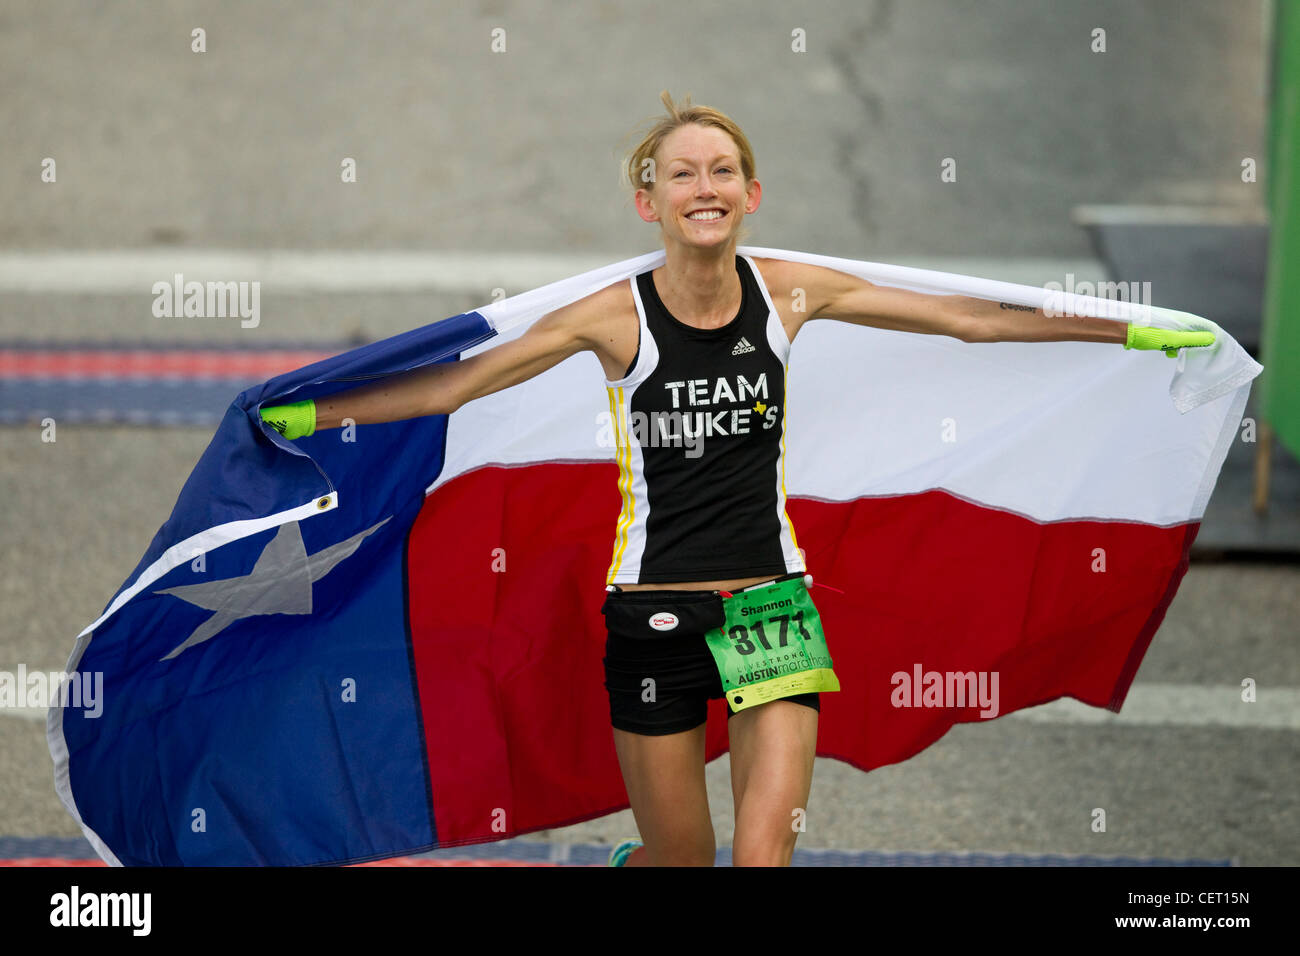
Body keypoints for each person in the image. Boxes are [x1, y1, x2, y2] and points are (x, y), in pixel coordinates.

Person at [260, 91, 1215, 867]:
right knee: (686, 859)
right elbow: (459, 386)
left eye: (722, 171)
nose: (703, 187)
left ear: (751, 193)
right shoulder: (611, 319)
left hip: (769, 607)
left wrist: (1122, 330)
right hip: (651, 619)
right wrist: (319, 413)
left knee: (765, 859)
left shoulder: (791, 292)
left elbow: (971, 320)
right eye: (683, 174)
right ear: (651, 203)